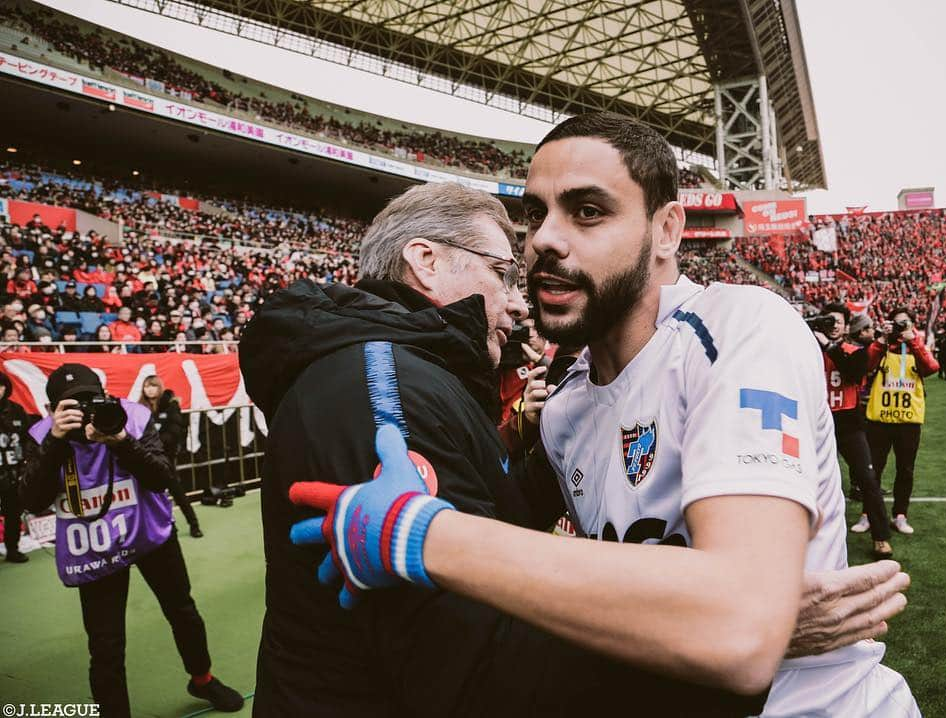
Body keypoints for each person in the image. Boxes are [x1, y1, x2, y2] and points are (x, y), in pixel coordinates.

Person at [240, 181, 910, 717]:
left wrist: (554, 452)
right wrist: (731, 630)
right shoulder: (379, 392)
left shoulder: (413, 373)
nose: (514, 302)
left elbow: (490, 519)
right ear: (425, 260)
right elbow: (481, 671)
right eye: (503, 272)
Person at [19, 363, 242, 717]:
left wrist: (121, 441)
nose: (84, 413)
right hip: (93, 543)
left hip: (148, 532)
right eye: (71, 406)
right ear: (53, 410)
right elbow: (30, 501)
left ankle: (202, 678)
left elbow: (161, 477)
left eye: (90, 401)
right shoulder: (43, 435)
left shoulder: (131, 417)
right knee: (106, 644)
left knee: (183, 612)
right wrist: (56, 440)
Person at [814, 304, 892, 560]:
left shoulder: (855, 351)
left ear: (847, 326)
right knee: (812, 481)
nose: (833, 325)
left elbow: (854, 372)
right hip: (816, 420)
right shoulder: (808, 350)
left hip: (848, 421)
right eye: (828, 320)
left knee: (867, 479)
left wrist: (827, 345)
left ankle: (881, 536)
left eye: (838, 321)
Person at [866, 308, 939, 537]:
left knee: (905, 470)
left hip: (908, 421)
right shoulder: (883, 345)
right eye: (895, 324)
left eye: (903, 324)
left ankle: (900, 514)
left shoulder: (917, 345)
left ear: (910, 325)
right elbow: (865, 367)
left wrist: (914, 341)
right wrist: (881, 339)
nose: (899, 329)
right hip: (880, 418)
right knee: (873, 469)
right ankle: (868, 514)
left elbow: (931, 368)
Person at [139, 375, 201, 538]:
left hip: (166, 457)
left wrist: (156, 442)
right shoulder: (141, 408)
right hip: (146, 458)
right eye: (146, 386)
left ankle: (194, 524)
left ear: (159, 387)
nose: (149, 389)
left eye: (152, 385)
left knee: (177, 492)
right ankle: (158, 528)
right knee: (148, 497)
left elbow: (174, 431)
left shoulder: (171, 405)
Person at [0, 371, 32, 562]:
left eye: (1, 386)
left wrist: (26, 464)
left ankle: (13, 549)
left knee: (13, 513)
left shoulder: (17, 410)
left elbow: (28, 439)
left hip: (13, 472)